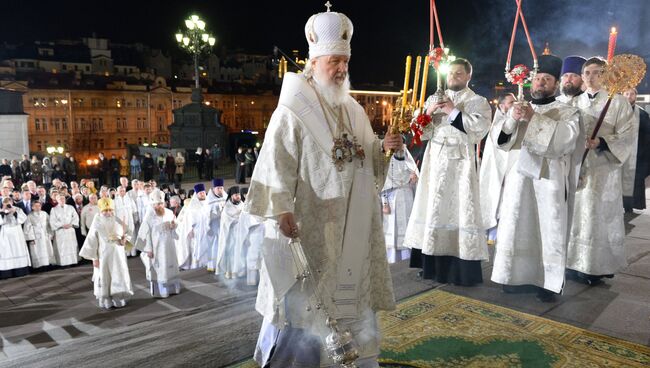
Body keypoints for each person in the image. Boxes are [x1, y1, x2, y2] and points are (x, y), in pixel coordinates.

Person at [245, 6, 401, 366]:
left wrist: (386, 149)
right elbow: (274, 164)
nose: (342, 69)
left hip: (354, 226)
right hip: (313, 227)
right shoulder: (292, 111)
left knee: (350, 297)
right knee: (306, 303)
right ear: (314, 62)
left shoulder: (352, 108)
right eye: (335, 61)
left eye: (345, 61)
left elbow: (368, 160)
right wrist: (281, 209)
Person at [490, 55, 580, 302]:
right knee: (516, 224)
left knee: (547, 228)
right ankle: (513, 277)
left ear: (556, 84)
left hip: (548, 180)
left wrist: (533, 118)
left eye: (546, 79)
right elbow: (501, 142)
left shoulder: (568, 111)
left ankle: (546, 283)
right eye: (537, 79)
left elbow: (565, 142)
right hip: (518, 179)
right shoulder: (518, 107)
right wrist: (512, 119)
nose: (540, 83)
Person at [403, 57, 491, 286]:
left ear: (468, 76)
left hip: (460, 164)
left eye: (459, 74)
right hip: (435, 162)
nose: (453, 77)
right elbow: (418, 131)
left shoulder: (477, 101)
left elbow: (478, 129)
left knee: (459, 211)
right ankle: (429, 265)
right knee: (431, 209)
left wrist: (452, 112)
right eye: (450, 73)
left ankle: (459, 270)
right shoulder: (435, 97)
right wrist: (428, 113)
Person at [566, 57, 635, 286]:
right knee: (575, 215)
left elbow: (627, 135)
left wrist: (603, 141)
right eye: (587, 72)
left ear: (605, 76)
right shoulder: (574, 103)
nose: (591, 76)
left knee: (597, 217)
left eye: (597, 72)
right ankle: (572, 263)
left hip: (603, 168)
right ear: (582, 76)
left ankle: (595, 268)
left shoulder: (618, 103)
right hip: (578, 167)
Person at [79, 198, 134, 309]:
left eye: (110, 210)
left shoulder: (116, 219)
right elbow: (91, 240)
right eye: (105, 210)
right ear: (100, 210)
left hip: (118, 254)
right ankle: (107, 300)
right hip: (103, 255)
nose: (108, 212)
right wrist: (94, 258)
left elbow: (128, 231)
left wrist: (125, 239)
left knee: (118, 275)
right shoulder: (97, 220)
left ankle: (119, 300)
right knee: (105, 276)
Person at [479, 93, 516, 246]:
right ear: (502, 106)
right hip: (499, 175)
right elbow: (503, 145)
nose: (515, 105)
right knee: (497, 206)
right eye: (511, 102)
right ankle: (493, 238)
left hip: (510, 173)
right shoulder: (499, 124)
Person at [136, 190, 181, 298]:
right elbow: (145, 234)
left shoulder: (169, 212)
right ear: (153, 204)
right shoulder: (149, 216)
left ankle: (173, 289)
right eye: (157, 204)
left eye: (161, 203)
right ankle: (162, 292)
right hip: (157, 248)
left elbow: (174, 228)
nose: (160, 206)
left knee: (170, 266)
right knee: (160, 269)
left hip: (169, 246)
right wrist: (148, 249)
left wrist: (173, 226)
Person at [380, 146, 418, 263]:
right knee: (393, 228)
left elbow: (415, 174)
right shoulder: (388, 161)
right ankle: (393, 259)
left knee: (407, 227)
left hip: (407, 196)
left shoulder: (407, 158)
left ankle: (410, 257)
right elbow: (383, 182)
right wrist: (385, 203)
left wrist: (414, 176)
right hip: (393, 198)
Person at [622, 88, 650, 211]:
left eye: (632, 94)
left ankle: (631, 208)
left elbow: (647, 137)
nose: (629, 96)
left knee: (635, 182)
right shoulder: (615, 112)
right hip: (619, 154)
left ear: (636, 96)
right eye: (626, 93)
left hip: (637, 156)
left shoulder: (643, 114)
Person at [175, 183, 209, 269]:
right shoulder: (192, 207)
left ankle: (207, 263)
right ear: (196, 195)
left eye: (203, 192)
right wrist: (189, 230)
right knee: (197, 248)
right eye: (200, 193)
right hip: (197, 231)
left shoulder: (209, 203)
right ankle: (197, 265)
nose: (202, 194)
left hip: (208, 230)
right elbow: (187, 220)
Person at [215, 186, 243, 278]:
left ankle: (239, 271)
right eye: (236, 195)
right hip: (230, 235)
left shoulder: (242, 204)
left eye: (238, 194)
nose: (238, 196)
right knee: (231, 253)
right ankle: (230, 272)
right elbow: (228, 221)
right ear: (231, 196)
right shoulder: (227, 207)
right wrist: (239, 217)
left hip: (240, 234)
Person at [0, 197, 30, 279]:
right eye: (5, 202)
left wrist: (15, 213)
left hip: (17, 233)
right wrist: (3, 213)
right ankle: (7, 273)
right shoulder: (1, 210)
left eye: (9, 202)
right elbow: (1, 221)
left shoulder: (18, 209)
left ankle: (20, 271)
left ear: (12, 202)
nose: (7, 204)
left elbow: (23, 219)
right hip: (5, 234)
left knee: (18, 250)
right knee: (7, 251)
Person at [50, 193, 80, 266]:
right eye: (60, 199)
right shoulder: (54, 209)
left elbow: (75, 217)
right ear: (57, 200)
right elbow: (52, 221)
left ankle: (73, 261)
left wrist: (71, 224)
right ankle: (63, 263)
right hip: (60, 231)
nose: (62, 200)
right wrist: (62, 225)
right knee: (62, 247)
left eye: (63, 198)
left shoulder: (70, 207)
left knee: (72, 246)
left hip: (70, 229)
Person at [24, 200, 55, 270]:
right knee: (37, 251)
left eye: (39, 206)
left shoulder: (45, 214)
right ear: (32, 207)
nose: (38, 207)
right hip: (36, 237)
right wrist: (31, 238)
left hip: (45, 235)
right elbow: (27, 228)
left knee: (48, 250)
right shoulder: (30, 216)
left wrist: (51, 234)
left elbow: (50, 224)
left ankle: (48, 264)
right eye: (36, 206)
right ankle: (39, 267)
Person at [205, 178, 226, 272]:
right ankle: (213, 265)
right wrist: (218, 210)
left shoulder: (225, 197)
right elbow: (207, 216)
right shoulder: (209, 201)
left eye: (221, 188)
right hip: (214, 227)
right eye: (218, 188)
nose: (220, 190)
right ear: (213, 189)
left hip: (224, 227)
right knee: (215, 245)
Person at [114, 185, 137, 256]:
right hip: (120, 221)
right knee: (122, 236)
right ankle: (126, 252)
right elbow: (114, 212)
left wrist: (135, 218)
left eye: (123, 191)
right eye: (120, 191)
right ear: (117, 192)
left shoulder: (129, 199)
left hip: (129, 219)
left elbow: (134, 210)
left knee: (131, 235)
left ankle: (132, 252)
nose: (122, 192)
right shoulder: (115, 200)